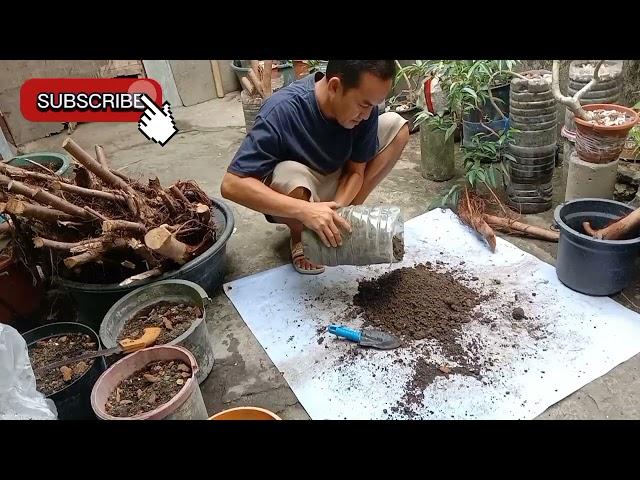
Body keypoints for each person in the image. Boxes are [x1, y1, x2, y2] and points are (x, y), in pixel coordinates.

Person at [221, 60, 410, 274]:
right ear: (335, 86)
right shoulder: (281, 110)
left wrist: (336, 210)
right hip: (298, 189)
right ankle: (300, 235)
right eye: (364, 105)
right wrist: (305, 211)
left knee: (397, 127)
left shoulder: (366, 109)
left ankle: (341, 221)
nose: (367, 115)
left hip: (336, 176)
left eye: (373, 105)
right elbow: (231, 184)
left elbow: (356, 171)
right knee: (289, 172)